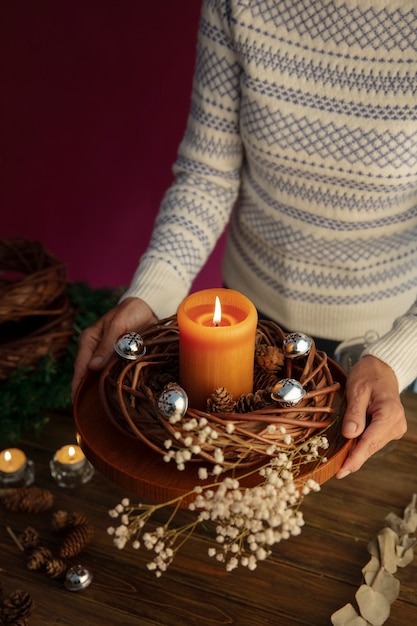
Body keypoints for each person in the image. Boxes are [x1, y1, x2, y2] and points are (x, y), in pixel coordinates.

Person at [72, 0, 417, 479]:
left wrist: (400, 355)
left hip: (385, 352)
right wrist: (150, 294)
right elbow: (207, 176)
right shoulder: (239, 5)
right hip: (246, 331)